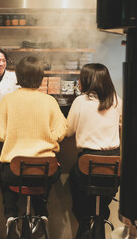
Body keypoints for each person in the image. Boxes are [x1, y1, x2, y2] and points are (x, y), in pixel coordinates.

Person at [0, 56, 67, 237]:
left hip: (14, 172)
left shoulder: (8, 100)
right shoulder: (49, 101)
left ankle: (11, 216)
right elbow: (61, 132)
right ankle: (41, 215)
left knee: (3, 174)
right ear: (40, 76)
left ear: (18, 75)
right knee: (40, 178)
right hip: (46, 170)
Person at [66, 63, 122, 238]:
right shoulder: (116, 100)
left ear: (87, 80)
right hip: (113, 166)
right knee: (100, 202)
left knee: (76, 188)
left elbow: (68, 131)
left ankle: (86, 224)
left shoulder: (80, 101)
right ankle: (99, 221)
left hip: (87, 165)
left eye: (81, 78)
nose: (78, 81)